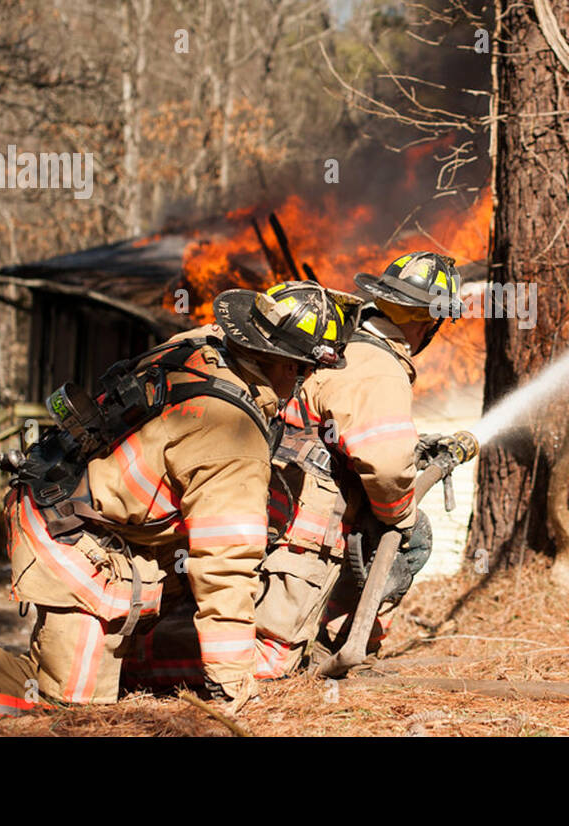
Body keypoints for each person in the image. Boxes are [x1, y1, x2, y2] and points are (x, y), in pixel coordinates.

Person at [0, 281, 350, 719]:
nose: (302, 384)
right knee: (68, 706)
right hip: (70, 537)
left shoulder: (198, 347)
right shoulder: (230, 436)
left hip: (72, 507)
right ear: (275, 360)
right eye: (301, 370)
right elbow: (224, 571)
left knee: (82, 689)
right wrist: (237, 692)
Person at [122, 251, 463, 687]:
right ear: (425, 322)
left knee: (212, 594)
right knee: (271, 655)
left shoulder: (320, 333)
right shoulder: (378, 368)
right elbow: (386, 465)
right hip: (300, 523)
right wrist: (401, 514)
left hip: (225, 496)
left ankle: (148, 647)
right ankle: (133, 668)